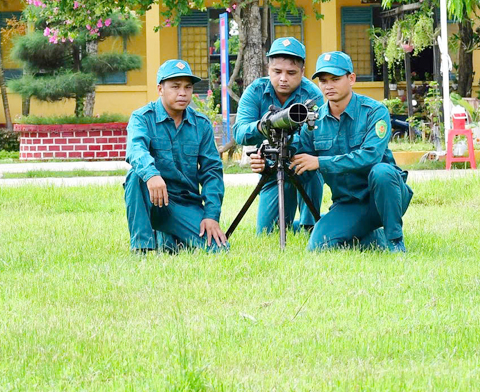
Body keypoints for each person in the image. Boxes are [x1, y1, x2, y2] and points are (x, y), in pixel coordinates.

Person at [288, 52, 412, 252]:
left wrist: (321, 162)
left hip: (384, 196)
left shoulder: (374, 111)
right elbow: (301, 160)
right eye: (324, 81)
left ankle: (395, 241)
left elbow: (371, 156)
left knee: (382, 171)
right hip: (348, 203)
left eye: (335, 79)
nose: (329, 86)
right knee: (318, 246)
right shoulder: (313, 121)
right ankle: (372, 236)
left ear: (351, 78)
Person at [124, 60, 227, 252]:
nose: (183, 93)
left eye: (188, 87)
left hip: (185, 203)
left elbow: (212, 172)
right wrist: (152, 175)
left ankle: (167, 238)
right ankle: (142, 249)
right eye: (175, 86)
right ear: (160, 89)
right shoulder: (142, 117)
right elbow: (135, 149)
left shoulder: (201, 125)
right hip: (153, 198)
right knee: (136, 176)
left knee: (218, 250)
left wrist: (211, 215)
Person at [232, 36, 325, 234]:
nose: (283, 78)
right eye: (277, 72)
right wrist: (264, 131)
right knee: (267, 234)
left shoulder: (313, 95)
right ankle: (309, 224)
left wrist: (289, 145)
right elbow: (239, 132)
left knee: (312, 171)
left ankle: (311, 226)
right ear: (268, 69)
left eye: (291, 73)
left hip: (302, 166)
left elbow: (317, 138)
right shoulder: (255, 91)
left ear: (302, 71)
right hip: (272, 168)